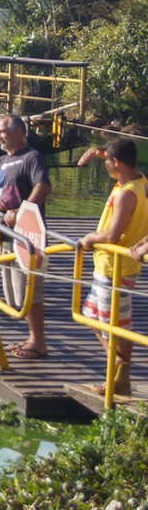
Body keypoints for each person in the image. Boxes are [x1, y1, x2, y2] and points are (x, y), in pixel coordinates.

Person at [77, 140, 148, 395]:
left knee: (112, 324)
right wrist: (98, 153)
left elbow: (112, 235)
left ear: (116, 162)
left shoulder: (126, 193)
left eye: (107, 160)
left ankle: (116, 369)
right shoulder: (141, 182)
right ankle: (120, 370)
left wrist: (89, 238)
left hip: (114, 266)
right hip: (117, 266)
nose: (105, 163)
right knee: (96, 316)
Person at [0, 114, 52, 359]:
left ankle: (39, 342)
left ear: (18, 132)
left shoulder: (31, 157)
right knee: (17, 294)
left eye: (2, 131)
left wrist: (22, 211)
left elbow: (42, 186)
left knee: (31, 291)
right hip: (4, 235)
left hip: (28, 236)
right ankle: (31, 337)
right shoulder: (1, 160)